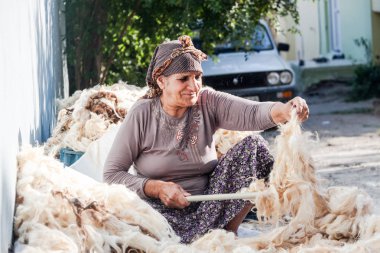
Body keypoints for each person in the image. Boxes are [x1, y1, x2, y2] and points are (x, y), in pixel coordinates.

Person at [103, 35, 309, 244]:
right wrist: (157, 188)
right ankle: (206, 237)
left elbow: (252, 113)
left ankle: (228, 232)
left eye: (198, 77)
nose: (193, 86)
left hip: (211, 205)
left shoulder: (207, 101)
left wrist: (284, 110)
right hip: (161, 212)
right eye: (184, 79)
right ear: (161, 81)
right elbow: (111, 175)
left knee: (254, 147)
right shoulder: (142, 113)